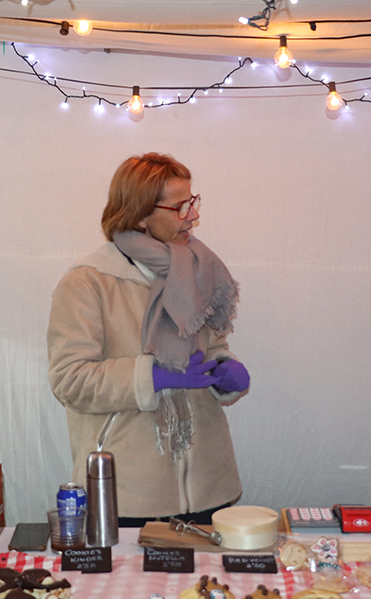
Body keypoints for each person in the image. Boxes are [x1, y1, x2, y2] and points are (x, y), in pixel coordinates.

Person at [47, 153, 249, 527]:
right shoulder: (88, 281)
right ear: (141, 215)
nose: (193, 215)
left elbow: (209, 347)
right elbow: (70, 380)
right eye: (179, 206)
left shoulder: (197, 267)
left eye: (193, 201)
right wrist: (152, 376)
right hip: (126, 497)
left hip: (210, 489)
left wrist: (225, 369)